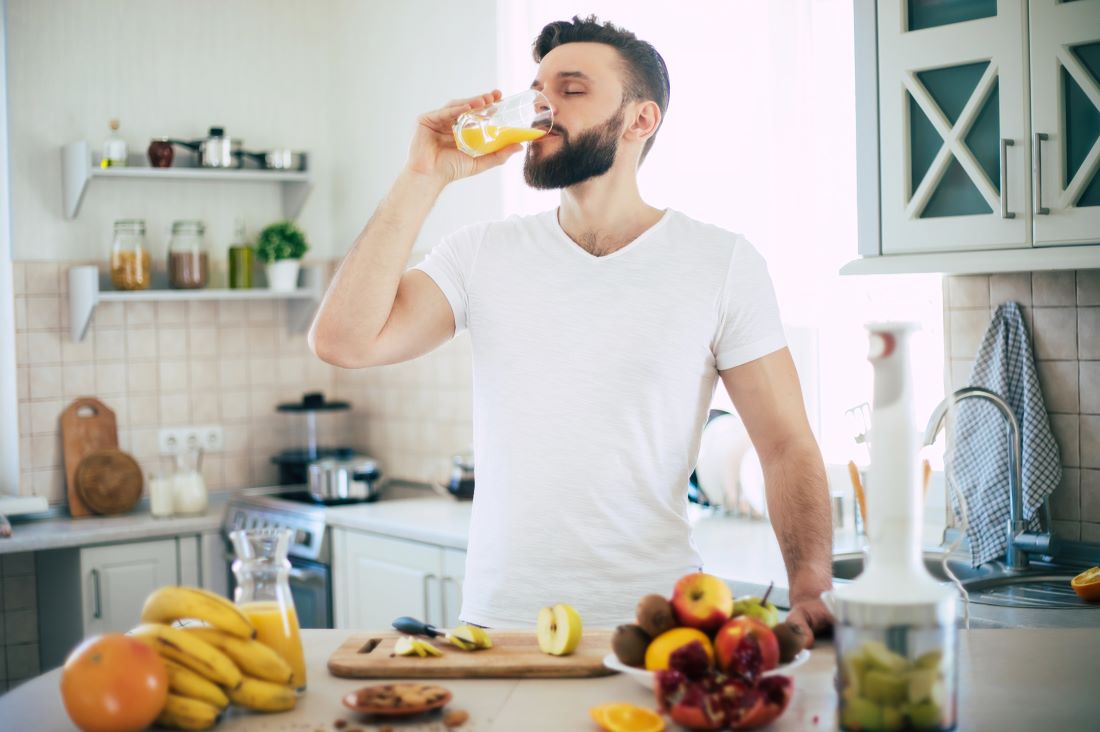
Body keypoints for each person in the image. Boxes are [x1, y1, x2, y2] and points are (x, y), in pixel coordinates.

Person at [310, 15, 834, 641]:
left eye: (571, 89)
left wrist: (810, 588)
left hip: (657, 627)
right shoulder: (480, 254)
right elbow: (342, 341)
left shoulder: (720, 263)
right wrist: (424, 175)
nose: (541, 105)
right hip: (498, 625)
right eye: (538, 88)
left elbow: (785, 446)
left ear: (641, 119)